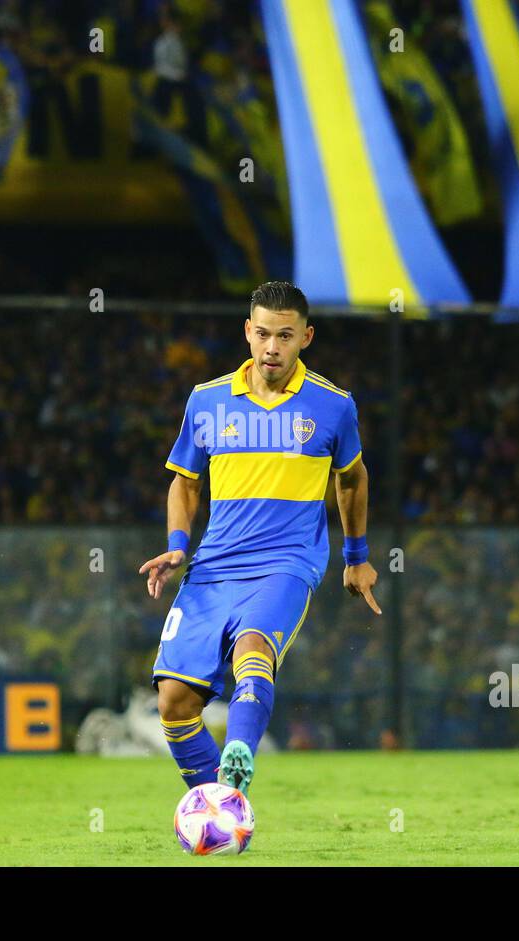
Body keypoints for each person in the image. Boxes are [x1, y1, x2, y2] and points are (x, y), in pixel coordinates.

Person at [138, 280, 380, 794]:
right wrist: (179, 544)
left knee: (254, 648)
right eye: (264, 334)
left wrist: (356, 556)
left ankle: (241, 751)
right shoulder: (206, 402)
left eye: (286, 336)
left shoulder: (332, 406)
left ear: (306, 338)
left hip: (287, 563)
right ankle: (222, 807)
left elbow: (352, 477)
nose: (273, 347)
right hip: (213, 567)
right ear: (248, 332)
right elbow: (184, 481)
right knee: (174, 702)